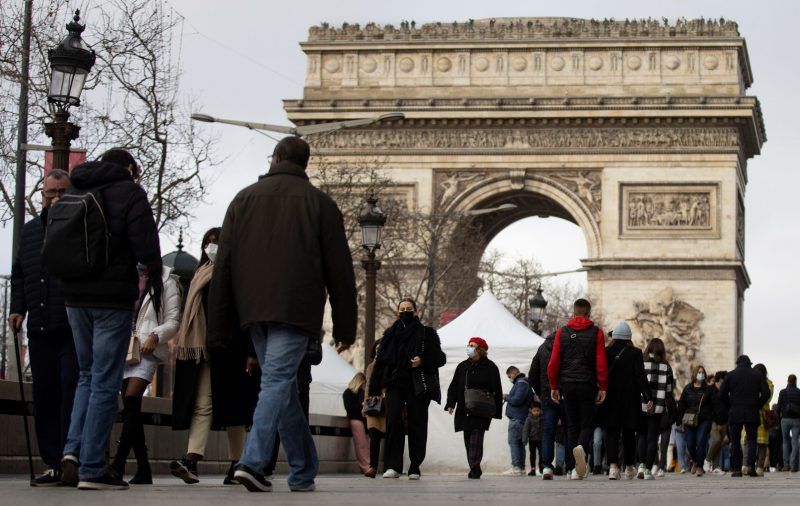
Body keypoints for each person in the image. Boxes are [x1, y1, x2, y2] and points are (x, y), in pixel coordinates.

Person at [206, 137, 358, 492]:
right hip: (295, 308)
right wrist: (346, 325)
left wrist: (219, 324)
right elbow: (340, 271)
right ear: (306, 164)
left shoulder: (242, 199)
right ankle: (255, 463)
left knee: (279, 385)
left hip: (253, 311)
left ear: (274, 159)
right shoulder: (320, 204)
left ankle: (298, 468)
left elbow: (223, 266)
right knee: (279, 385)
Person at [54, 149, 162, 490]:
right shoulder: (131, 193)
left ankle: (71, 452)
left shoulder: (75, 189)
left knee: (86, 376)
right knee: (104, 379)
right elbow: (146, 248)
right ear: (129, 168)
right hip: (111, 298)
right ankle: (92, 467)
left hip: (74, 297)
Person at [169, 228, 260, 486]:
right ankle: (192, 459)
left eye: (216, 241)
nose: (211, 246)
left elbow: (246, 314)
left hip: (232, 350)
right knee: (203, 403)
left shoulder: (237, 275)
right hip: (205, 349)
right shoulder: (201, 274)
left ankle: (237, 463)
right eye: (207, 241)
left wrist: (250, 352)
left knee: (235, 410)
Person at [9, 169, 78, 487]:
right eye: (50, 192)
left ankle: (70, 456)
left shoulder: (79, 227)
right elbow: (20, 274)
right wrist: (16, 309)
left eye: (61, 191)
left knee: (70, 388)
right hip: (38, 326)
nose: (56, 197)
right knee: (45, 394)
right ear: (43, 195)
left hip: (70, 326)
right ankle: (52, 461)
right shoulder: (30, 231)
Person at [110, 264, 181, 484]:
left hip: (147, 349)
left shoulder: (167, 281)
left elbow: (173, 320)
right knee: (132, 409)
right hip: (124, 347)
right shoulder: (126, 275)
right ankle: (143, 469)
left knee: (131, 399)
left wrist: (156, 335)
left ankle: (118, 464)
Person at [368, 298, 446, 480]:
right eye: (402, 309)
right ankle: (392, 466)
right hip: (395, 384)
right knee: (393, 421)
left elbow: (440, 358)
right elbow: (380, 362)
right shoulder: (389, 334)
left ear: (416, 311)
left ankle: (415, 466)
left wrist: (422, 360)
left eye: (409, 308)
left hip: (417, 384)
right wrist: (374, 388)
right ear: (397, 312)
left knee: (417, 422)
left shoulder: (427, 334)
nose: (405, 311)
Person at [547, 298, 609, 480]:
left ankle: (573, 470)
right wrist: (603, 386)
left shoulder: (562, 332)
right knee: (587, 423)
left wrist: (553, 385)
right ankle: (581, 449)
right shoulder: (596, 333)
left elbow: (553, 363)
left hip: (567, 383)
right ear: (589, 313)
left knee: (572, 424)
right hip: (587, 384)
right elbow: (601, 363)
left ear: (573, 313)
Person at [598, 322, 652, 481]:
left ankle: (613, 467)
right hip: (630, 399)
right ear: (629, 337)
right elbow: (640, 376)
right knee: (629, 433)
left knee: (612, 433)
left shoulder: (606, 352)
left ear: (614, 337)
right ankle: (629, 467)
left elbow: (601, 374)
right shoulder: (635, 353)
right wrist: (648, 396)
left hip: (611, 399)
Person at [445, 337, 503, 479]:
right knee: (468, 438)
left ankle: (474, 467)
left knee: (476, 438)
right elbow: (454, 385)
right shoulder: (462, 366)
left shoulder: (490, 367)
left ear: (480, 349)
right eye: (468, 345)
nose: (468, 347)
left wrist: (495, 410)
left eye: (472, 345)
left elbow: (497, 389)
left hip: (481, 409)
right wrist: (450, 403)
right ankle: (474, 465)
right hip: (464, 409)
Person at [529, 330, 572, 480]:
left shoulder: (542, 348)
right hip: (566, 392)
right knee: (569, 430)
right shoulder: (568, 346)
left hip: (548, 394)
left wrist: (541, 392)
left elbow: (533, 373)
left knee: (548, 431)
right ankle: (570, 467)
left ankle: (546, 466)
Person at [719, 355, 771, 477]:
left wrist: (730, 404)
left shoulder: (730, 375)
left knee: (735, 441)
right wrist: (757, 405)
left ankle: (737, 469)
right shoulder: (757, 375)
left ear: (737, 363)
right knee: (752, 441)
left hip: (735, 412)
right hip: (752, 411)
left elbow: (721, 395)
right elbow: (766, 393)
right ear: (750, 363)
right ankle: (751, 468)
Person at [636, 337, 673, 480]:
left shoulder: (641, 362)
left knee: (641, 436)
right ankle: (648, 470)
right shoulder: (666, 366)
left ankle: (640, 465)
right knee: (652, 439)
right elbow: (669, 390)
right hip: (657, 407)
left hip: (642, 404)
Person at [678, 364, 714, 477]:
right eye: (699, 372)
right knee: (690, 443)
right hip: (689, 419)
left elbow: (714, 404)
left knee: (701, 441)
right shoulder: (688, 388)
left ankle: (699, 466)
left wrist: (713, 417)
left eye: (703, 372)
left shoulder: (709, 389)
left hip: (704, 419)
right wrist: (679, 418)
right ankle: (694, 460)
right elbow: (681, 404)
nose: (701, 374)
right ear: (694, 374)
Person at [504, 365, 534, 475]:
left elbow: (517, 400)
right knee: (520, 443)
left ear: (514, 373)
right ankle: (520, 468)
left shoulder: (521, 383)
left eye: (509, 376)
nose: (509, 378)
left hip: (517, 418)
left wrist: (506, 397)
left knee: (514, 442)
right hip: (522, 418)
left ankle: (516, 467)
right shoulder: (524, 383)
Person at [363, 340, 386, 478]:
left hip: (387, 403)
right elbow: (367, 385)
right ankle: (373, 466)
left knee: (390, 436)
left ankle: (391, 465)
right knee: (374, 435)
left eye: (381, 348)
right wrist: (365, 404)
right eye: (377, 348)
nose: (378, 350)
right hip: (373, 404)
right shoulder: (371, 367)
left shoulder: (390, 364)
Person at [343, 372, 370, 474]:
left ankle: (367, 465)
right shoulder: (348, 393)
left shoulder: (360, 393)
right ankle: (365, 466)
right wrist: (361, 406)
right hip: (355, 419)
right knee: (361, 444)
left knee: (365, 443)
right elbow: (349, 408)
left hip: (362, 420)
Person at [750, 363, 773, 476]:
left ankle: (756, 466)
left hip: (759, 415)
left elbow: (767, 398)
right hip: (759, 414)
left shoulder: (766, 383)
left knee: (757, 442)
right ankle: (756, 467)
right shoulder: (768, 384)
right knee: (758, 443)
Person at [706, 370, 729, 475]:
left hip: (724, 421)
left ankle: (716, 467)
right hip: (713, 421)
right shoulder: (710, 389)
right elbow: (707, 406)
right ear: (720, 380)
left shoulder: (725, 392)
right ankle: (707, 460)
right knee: (716, 439)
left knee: (719, 444)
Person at [777, 374, 800, 472]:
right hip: (797, 420)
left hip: (785, 419)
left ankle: (786, 465)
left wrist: (778, 418)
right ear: (795, 381)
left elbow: (778, 407)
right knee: (795, 442)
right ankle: (794, 465)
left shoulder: (783, 392)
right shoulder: (799, 392)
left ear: (788, 381)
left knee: (785, 442)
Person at [522, 401, 545, 476]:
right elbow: (526, 429)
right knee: (532, 455)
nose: (536, 412)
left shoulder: (543, 418)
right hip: (532, 440)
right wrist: (524, 440)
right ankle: (533, 469)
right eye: (534, 410)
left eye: (538, 410)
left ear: (541, 410)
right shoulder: (529, 419)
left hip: (541, 440)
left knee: (542, 454)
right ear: (530, 410)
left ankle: (541, 467)